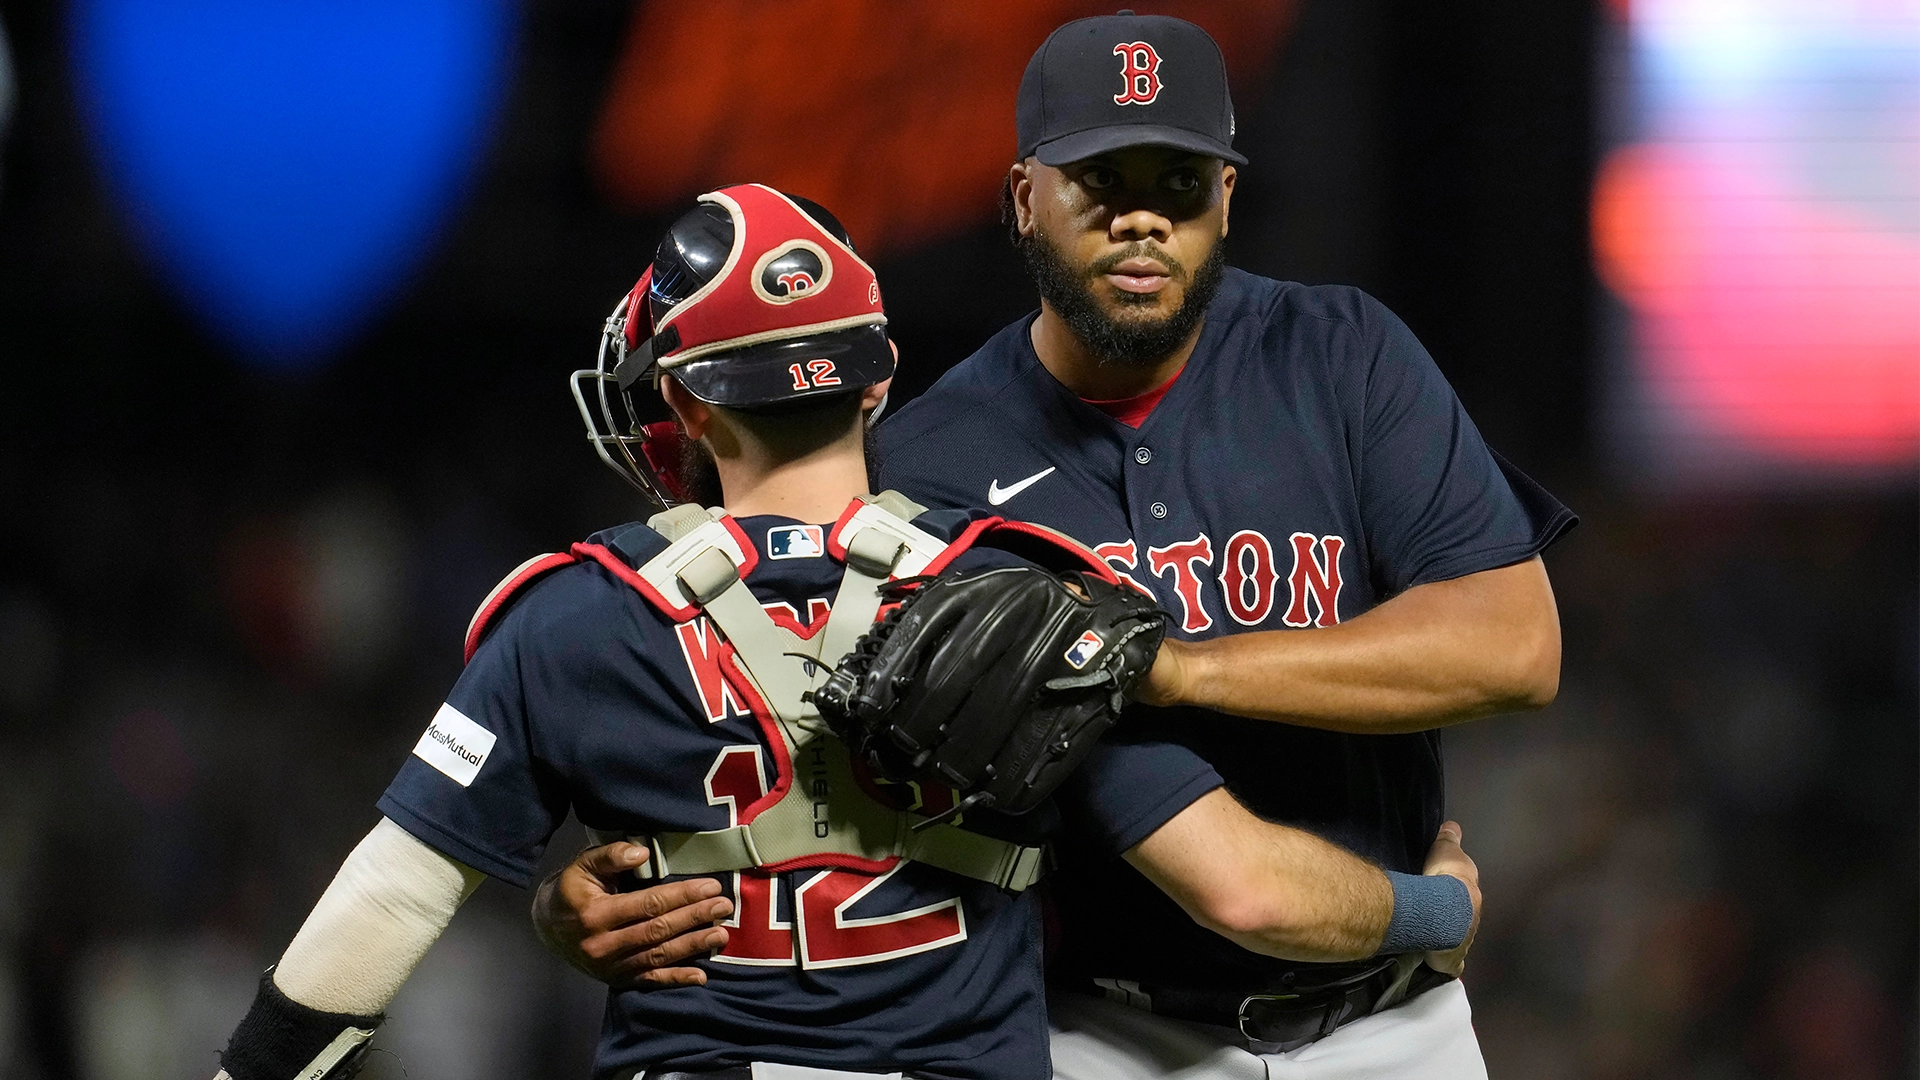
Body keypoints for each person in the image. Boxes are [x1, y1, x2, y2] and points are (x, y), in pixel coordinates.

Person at [210, 183, 1480, 1080]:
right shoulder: (1033, 598)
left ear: (685, 402)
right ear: (878, 379)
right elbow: (1242, 886)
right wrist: (1434, 910)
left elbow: (382, 906)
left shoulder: (572, 614)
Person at [538, 13, 1575, 1080]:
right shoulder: (926, 466)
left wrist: (1177, 670)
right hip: (1099, 1036)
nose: (1141, 220)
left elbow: (1514, 645)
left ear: (1227, 197)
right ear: (1024, 196)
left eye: (1180, 182)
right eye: (1101, 180)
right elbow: (780, 728)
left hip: (1398, 1024)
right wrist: (612, 885)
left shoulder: (1342, 356)